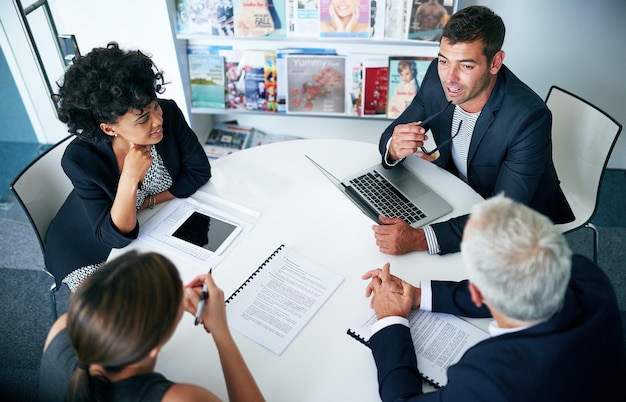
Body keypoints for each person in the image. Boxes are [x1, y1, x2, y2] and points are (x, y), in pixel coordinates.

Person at [362, 195, 626, 401]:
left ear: (478, 292)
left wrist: (391, 319)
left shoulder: (490, 380)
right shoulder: (587, 275)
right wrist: (419, 295)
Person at [374, 6, 574, 256]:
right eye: (444, 60)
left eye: (466, 66)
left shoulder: (529, 118)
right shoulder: (438, 77)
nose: (450, 78)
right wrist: (394, 147)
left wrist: (420, 239)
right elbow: (390, 135)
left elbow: (502, 215)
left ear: (495, 63)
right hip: (458, 192)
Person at [45, 42, 211, 291]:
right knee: (132, 319)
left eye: (154, 105)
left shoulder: (169, 114)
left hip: (154, 223)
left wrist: (147, 202)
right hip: (90, 249)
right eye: (143, 119)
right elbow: (114, 236)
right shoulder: (79, 159)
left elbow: (199, 172)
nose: (157, 119)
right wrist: (130, 178)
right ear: (109, 128)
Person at [38, 250, 265, 402]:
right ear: (151, 348)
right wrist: (221, 331)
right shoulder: (181, 398)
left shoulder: (63, 327)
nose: (181, 287)